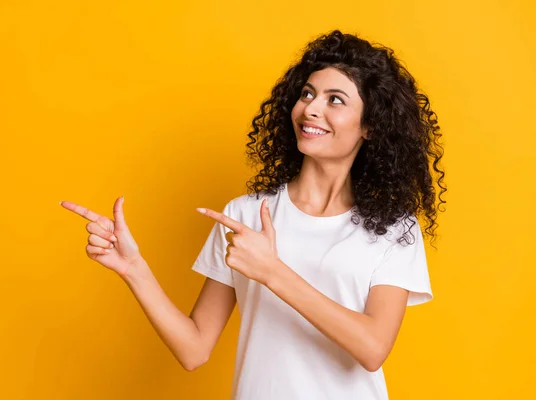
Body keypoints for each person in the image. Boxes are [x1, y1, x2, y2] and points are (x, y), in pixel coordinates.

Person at [60, 29, 446, 400]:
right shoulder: (244, 214)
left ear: (370, 127)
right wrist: (134, 269)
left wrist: (272, 271)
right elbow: (194, 350)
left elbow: (373, 347)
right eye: (308, 93)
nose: (310, 108)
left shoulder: (394, 228)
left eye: (335, 100)